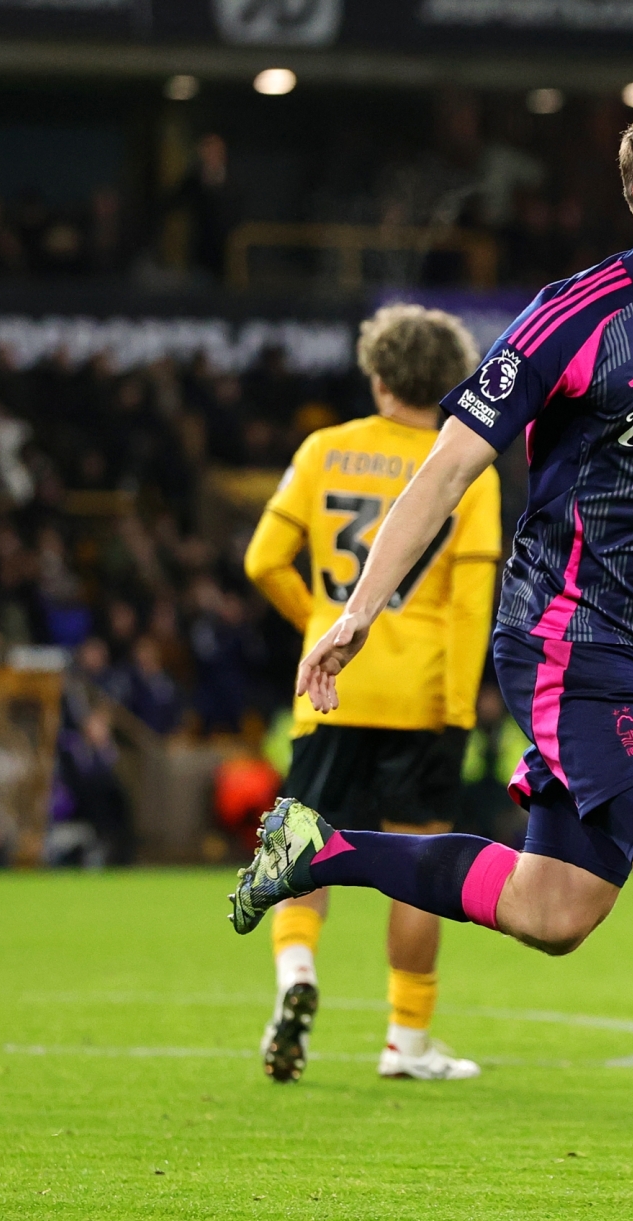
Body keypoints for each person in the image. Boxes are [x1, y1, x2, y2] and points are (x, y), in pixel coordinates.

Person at [228, 95, 633, 1221]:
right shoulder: (572, 320)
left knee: (553, 912)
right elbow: (445, 469)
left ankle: (317, 848)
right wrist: (361, 609)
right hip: (569, 642)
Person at [239, 303, 503, 1084]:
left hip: (331, 684)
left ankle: (297, 979)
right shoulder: (466, 465)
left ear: (378, 375)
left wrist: (321, 619)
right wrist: (456, 707)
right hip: (422, 693)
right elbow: (466, 603)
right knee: (418, 862)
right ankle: (407, 1039)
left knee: (299, 846)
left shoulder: (326, 448)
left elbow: (262, 559)